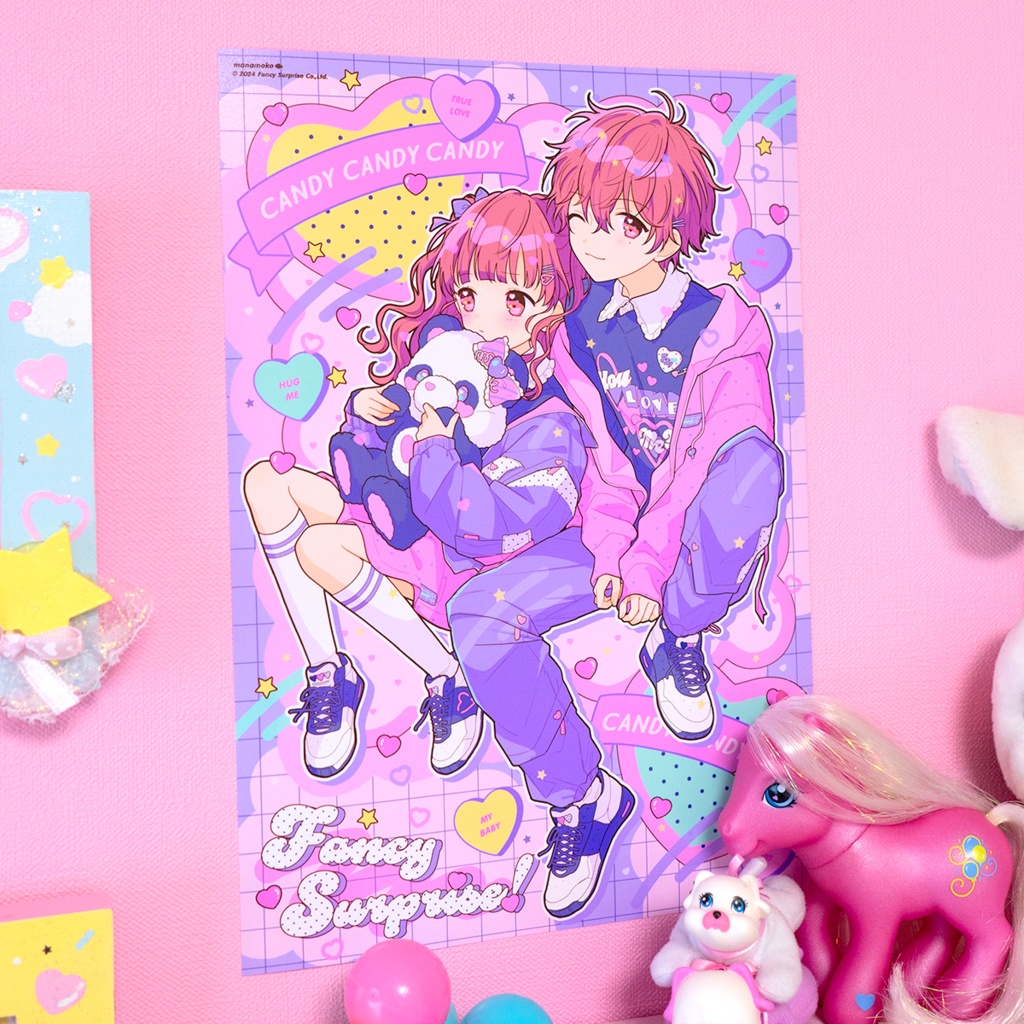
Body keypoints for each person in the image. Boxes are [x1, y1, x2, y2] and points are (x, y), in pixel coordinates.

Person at [242, 189, 601, 792]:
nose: (480, 316)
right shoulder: (453, 351)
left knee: (319, 550)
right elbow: (399, 435)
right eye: (470, 295)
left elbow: (484, 523)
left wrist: (434, 440)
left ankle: (448, 678)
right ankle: (329, 673)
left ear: (555, 300)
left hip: (464, 556)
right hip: (407, 506)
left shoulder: (550, 414)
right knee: (266, 483)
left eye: (513, 299)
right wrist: (369, 412)